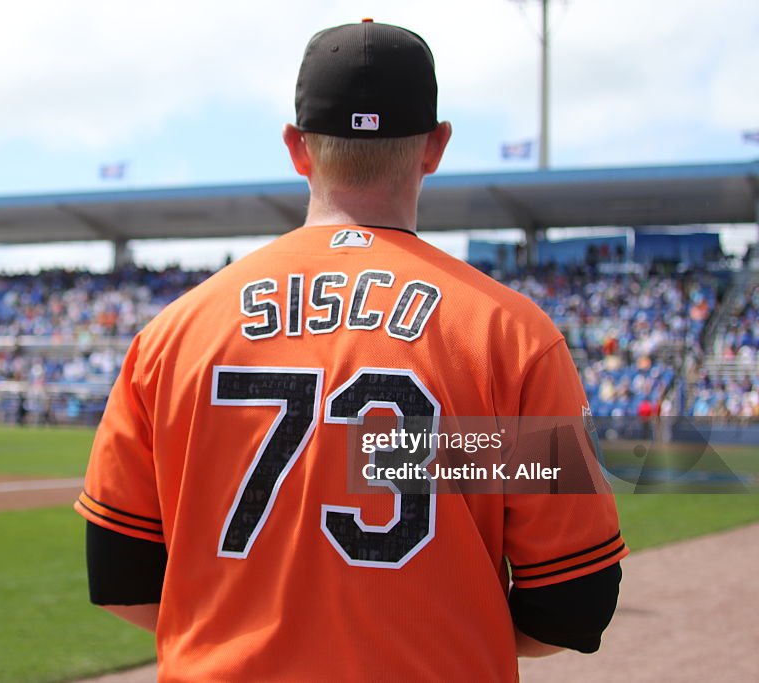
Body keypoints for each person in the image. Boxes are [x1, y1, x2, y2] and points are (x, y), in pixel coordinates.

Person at [76, 19, 626, 681]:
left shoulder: (172, 334)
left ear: (296, 147)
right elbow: (572, 605)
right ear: (435, 146)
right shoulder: (511, 334)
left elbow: (120, 574)